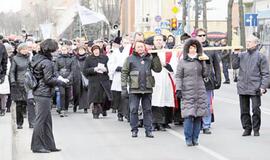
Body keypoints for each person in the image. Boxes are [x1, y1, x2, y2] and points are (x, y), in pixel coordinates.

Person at [31, 39, 68, 153]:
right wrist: (61, 82)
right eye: (54, 50)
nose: (56, 52)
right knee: (41, 120)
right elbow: (48, 79)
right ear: (49, 50)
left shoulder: (38, 58)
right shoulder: (46, 62)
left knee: (46, 121)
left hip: (40, 92)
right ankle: (37, 146)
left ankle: (49, 145)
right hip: (43, 93)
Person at [121, 40, 162, 138]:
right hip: (134, 88)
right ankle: (134, 130)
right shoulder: (129, 59)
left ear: (145, 48)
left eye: (142, 47)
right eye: (138, 47)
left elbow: (158, 69)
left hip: (147, 88)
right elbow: (124, 73)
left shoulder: (150, 58)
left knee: (147, 110)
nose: (140, 48)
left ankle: (148, 130)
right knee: (134, 109)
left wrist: (156, 56)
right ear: (135, 48)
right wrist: (123, 87)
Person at [231, 35, 270, 137]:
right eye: (247, 41)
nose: (247, 43)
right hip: (242, 86)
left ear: (256, 44)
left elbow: (266, 74)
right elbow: (234, 66)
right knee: (244, 110)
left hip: (255, 87)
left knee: (256, 109)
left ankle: (256, 129)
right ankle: (247, 128)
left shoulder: (261, 56)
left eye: (250, 42)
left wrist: (263, 87)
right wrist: (235, 54)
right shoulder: (242, 55)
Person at [175, 38, 209, 146]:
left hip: (200, 91)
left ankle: (195, 138)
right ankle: (188, 138)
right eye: (190, 48)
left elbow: (205, 74)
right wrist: (178, 89)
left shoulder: (200, 60)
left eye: (194, 47)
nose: (192, 50)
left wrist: (205, 62)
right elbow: (179, 76)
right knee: (188, 116)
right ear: (187, 49)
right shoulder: (182, 62)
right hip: (187, 91)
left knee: (198, 116)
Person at [196, 28, 221, 134]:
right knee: (197, 103)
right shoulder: (192, 48)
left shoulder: (211, 49)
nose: (202, 37)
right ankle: (198, 123)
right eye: (200, 35)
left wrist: (218, 79)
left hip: (208, 79)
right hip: (195, 79)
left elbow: (216, 65)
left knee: (207, 103)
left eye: (203, 35)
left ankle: (206, 124)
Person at [83, 45, 112, 119]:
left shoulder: (105, 58)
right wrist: (94, 69)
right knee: (95, 98)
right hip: (94, 81)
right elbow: (85, 71)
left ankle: (103, 109)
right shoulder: (88, 59)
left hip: (104, 79)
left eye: (97, 50)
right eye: (94, 50)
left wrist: (106, 70)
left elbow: (110, 67)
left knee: (105, 97)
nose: (96, 51)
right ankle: (95, 113)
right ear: (92, 51)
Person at [9, 43, 30, 129]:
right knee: (18, 104)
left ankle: (25, 114)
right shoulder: (15, 58)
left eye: (26, 49)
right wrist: (13, 81)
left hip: (28, 82)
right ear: (19, 50)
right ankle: (19, 122)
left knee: (27, 101)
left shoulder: (29, 58)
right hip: (18, 82)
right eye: (23, 49)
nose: (25, 50)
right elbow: (12, 71)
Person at [54, 45, 74, 117]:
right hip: (60, 79)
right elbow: (55, 70)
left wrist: (68, 78)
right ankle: (62, 109)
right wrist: (60, 77)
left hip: (68, 79)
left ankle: (66, 109)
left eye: (65, 49)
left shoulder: (71, 58)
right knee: (62, 94)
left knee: (68, 95)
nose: (64, 51)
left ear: (67, 50)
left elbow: (73, 70)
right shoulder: (58, 59)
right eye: (63, 49)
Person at [72, 46, 89, 113]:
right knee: (76, 93)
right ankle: (75, 105)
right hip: (76, 77)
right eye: (80, 50)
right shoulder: (74, 58)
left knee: (85, 93)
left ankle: (85, 108)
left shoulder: (87, 58)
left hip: (85, 77)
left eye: (83, 50)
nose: (81, 51)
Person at [0, 42, 10, 116]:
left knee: (2, 94)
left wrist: (3, 74)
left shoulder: (1, 47)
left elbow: (4, 61)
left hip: (0, 73)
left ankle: (2, 109)